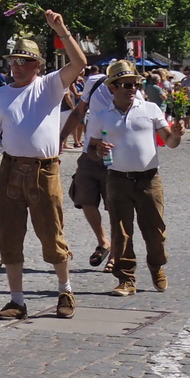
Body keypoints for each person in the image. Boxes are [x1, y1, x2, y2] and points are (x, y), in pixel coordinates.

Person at [0, 9, 89, 320]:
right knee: (9, 235)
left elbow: (80, 63)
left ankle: (65, 290)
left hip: (44, 171)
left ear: (38, 65)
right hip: (8, 170)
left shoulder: (49, 86)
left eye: (23, 61)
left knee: (52, 234)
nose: (16, 66)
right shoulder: (1, 95)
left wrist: (62, 29)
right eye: (13, 61)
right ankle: (17, 300)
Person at [88, 60, 183, 295]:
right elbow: (91, 149)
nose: (132, 88)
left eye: (134, 84)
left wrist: (177, 135)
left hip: (149, 179)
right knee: (120, 233)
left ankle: (156, 265)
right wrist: (99, 151)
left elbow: (170, 142)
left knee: (155, 231)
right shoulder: (100, 115)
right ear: (113, 87)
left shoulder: (150, 109)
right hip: (117, 179)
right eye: (126, 84)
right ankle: (126, 278)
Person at [61, 61, 130, 272]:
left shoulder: (131, 92)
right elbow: (79, 112)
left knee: (115, 206)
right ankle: (104, 241)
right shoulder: (93, 82)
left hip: (116, 157)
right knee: (84, 198)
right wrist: (60, 139)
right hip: (90, 154)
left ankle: (117, 253)